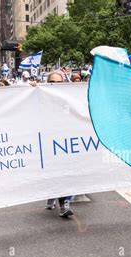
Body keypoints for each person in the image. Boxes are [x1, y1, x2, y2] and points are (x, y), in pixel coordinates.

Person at [44, 70, 74, 218]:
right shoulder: (42, 96)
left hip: (66, 142)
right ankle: (52, 194)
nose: (55, 85)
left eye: (59, 82)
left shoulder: (70, 97)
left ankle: (64, 204)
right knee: (54, 172)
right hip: (49, 142)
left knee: (67, 172)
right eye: (52, 82)